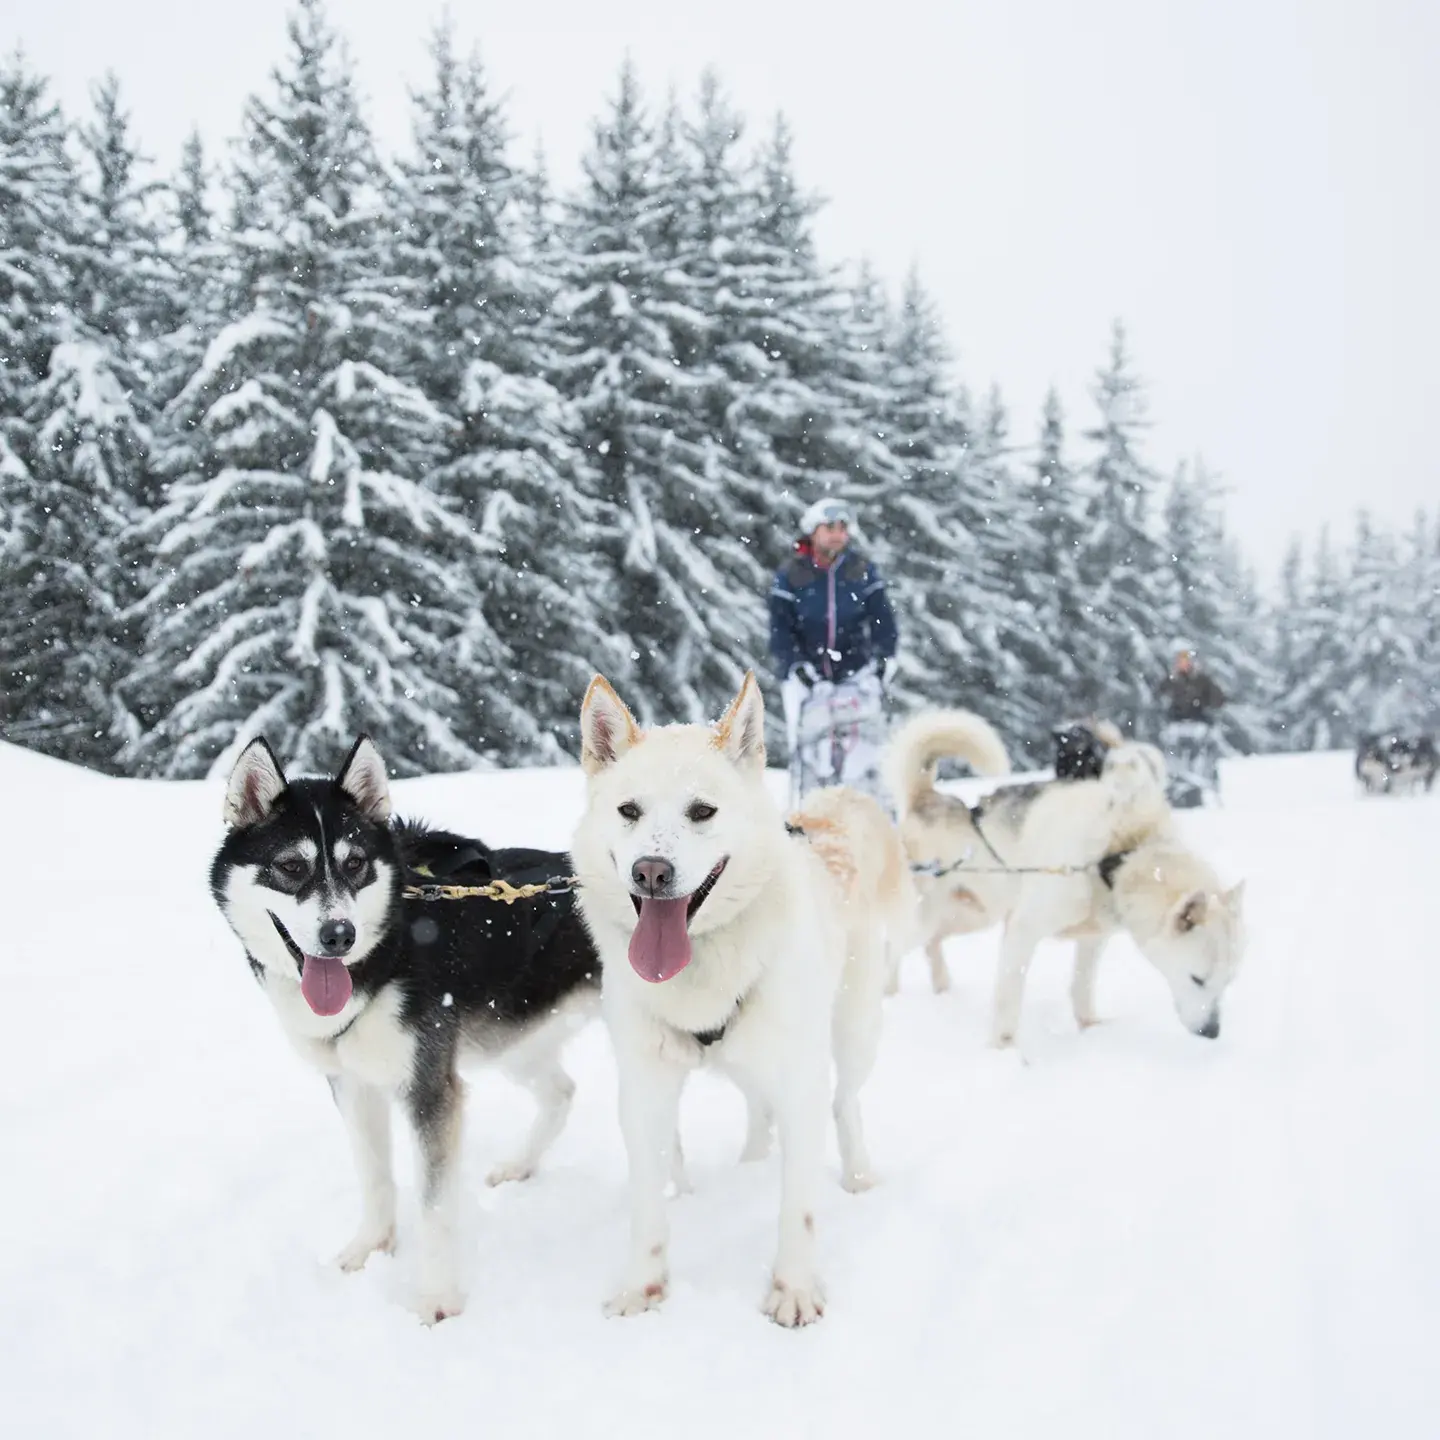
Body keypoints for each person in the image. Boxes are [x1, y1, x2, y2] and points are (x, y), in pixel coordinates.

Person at [768, 496, 898, 806]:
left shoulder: (861, 570)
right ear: (812, 530)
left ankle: (872, 819)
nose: (838, 534)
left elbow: (883, 620)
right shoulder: (792, 575)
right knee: (810, 754)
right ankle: (809, 819)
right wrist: (795, 666)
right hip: (809, 680)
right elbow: (780, 630)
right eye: (830, 527)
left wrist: (883, 660)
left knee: (866, 753)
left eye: (843, 527)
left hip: (856, 676)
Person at [1157, 643, 1225, 806]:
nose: (1183, 663)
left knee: (1199, 751)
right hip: (1176, 723)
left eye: (1186, 659)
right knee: (1172, 750)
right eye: (1180, 660)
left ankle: (1195, 781)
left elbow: (1218, 699)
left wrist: (1212, 702)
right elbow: (1159, 693)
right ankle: (1174, 780)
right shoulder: (1172, 680)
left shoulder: (1202, 680)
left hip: (1198, 723)